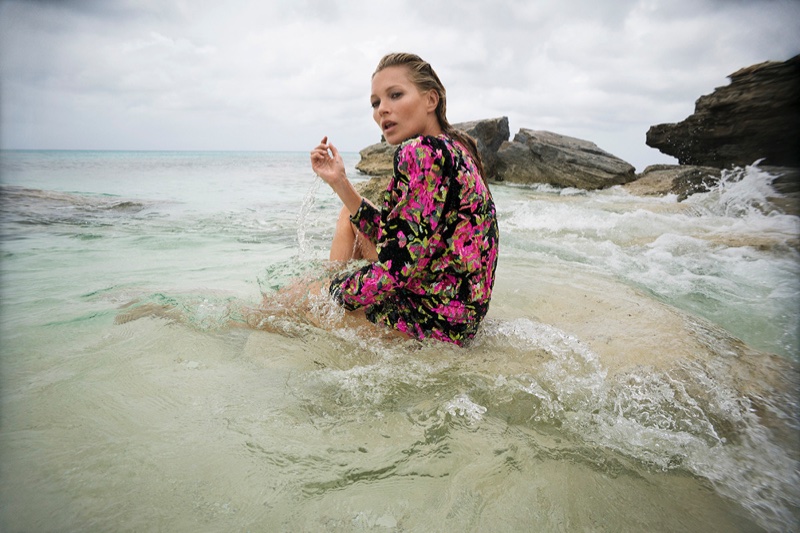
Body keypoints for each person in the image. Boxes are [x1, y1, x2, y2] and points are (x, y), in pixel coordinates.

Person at [310, 52, 499, 346]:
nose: (382, 110)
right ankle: (332, 307)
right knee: (348, 217)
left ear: (430, 100)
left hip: (432, 324)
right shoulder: (457, 146)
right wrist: (339, 182)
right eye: (376, 103)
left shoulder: (423, 151)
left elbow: (397, 269)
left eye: (395, 95)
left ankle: (329, 319)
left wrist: (330, 294)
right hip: (460, 317)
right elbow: (400, 239)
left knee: (288, 304)